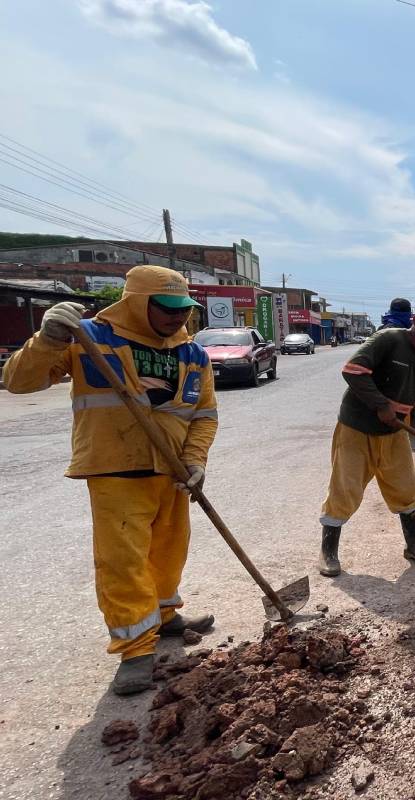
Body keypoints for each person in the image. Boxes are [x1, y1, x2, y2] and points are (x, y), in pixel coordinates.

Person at [2, 266, 217, 696]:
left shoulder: (192, 354)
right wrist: (47, 340)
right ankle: (136, 648)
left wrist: (194, 461)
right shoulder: (89, 339)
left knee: (169, 550)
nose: (178, 317)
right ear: (139, 302)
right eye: (168, 308)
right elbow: (17, 381)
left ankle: (164, 614)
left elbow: (204, 415)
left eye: (184, 309)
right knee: (123, 561)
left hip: (172, 471)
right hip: (115, 467)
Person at [318, 304, 415, 576]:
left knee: (407, 489)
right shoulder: (389, 339)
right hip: (356, 426)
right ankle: (328, 553)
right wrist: (380, 404)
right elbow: (352, 370)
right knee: (344, 489)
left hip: (396, 432)